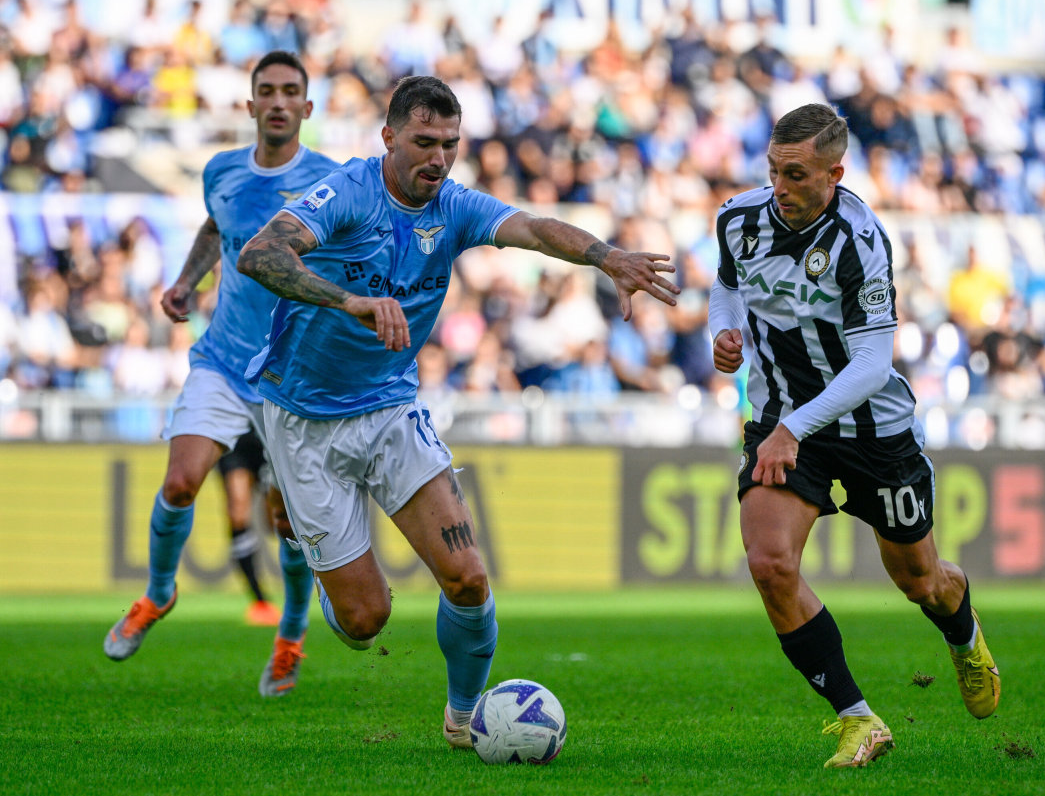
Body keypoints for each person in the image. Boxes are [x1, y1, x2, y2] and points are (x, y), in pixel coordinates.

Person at [236, 75, 679, 747]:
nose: (438, 158)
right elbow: (259, 253)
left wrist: (606, 256)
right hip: (303, 418)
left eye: (449, 143)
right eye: (423, 142)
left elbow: (532, 228)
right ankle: (309, 547)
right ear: (389, 137)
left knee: (468, 578)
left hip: (390, 406)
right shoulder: (349, 192)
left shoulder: (456, 206)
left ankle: (465, 718)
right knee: (364, 622)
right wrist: (349, 302)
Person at [707, 103, 1000, 770]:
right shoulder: (738, 218)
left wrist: (792, 428)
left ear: (834, 174)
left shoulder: (860, 241)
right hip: (782, 418)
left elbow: (871, 365)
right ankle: (858, 718)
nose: (780, 186)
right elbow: (726, 286)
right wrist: (723, 331)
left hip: (872, 427)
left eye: (796, 174)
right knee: (770, 563)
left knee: (921, 581)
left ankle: (963, 634)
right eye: (773, 170)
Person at [103, 51, 341, 700]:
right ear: (250, 104)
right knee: (181, 481)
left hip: (292, 377)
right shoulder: (222, 171)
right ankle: (158, 592)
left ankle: (290, 635)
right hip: (226, 361)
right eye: (268, 91)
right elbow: (217, 227)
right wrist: (187, 280)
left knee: (287, 521)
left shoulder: (331, 180)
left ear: (307, 107)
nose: (279, 102)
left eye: (290, 91)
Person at [218, 429, 283, 627]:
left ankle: (299, 597)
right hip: (235, 435)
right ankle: (260, 600)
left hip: (266, 435)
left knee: (277, 522)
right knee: (238, 514)